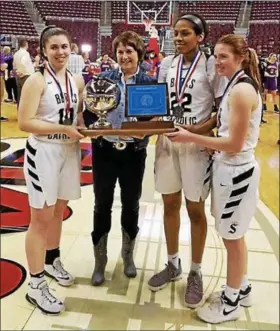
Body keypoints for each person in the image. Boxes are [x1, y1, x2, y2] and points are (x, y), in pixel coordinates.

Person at [166, 34, 262, 324]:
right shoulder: (235, 84)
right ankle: (241, 287)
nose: (218, 61)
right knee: (233, 235)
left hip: (237, 171)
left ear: (240, 57)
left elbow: (235, 144)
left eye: (224, 56)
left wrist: (191, 137)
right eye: (216, 56)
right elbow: (227, 137)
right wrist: (209, 142)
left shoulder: (242, 91)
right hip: (227, 168)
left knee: (232, 238)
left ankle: (231, 302)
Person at [148, 13, 226, 308]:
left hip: (194, 146)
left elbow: (220, 111)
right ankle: (172, 264)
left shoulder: (211, 66)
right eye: (176, 34)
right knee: (169, 205)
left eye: (185, 34)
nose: (178, 38)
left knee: (195, 209)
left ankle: (195, 271)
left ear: (201, 36)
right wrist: (150, 122)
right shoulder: (167, 64)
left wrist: (194, 132)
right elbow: (159, 102)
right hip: (168, 143)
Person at [18, 25, 85, 315]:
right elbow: (24, 122)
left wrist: (86, 126)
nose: (60, 52)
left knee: (58, 211)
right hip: (43, 152)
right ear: (43, 50)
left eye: (64, 47)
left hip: (68, 151)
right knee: (40, 219)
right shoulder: (36, 81)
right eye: (54, 47)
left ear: (72, 49)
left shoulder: (77, 80)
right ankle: (35, 286)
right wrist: (63, 129)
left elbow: (78, 115)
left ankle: (51, 259)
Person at [83, 31, 156, 286]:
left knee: (131, 205)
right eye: (120, 52)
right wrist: (93, 126)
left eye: (129, 51)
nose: (124, 56)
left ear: (139, 54)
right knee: (101, 205)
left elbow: (155, 117)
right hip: (104, 151)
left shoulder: (149, 81)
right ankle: (99, 260)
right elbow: (89, 113)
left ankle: (128, 255)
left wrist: (146, 128)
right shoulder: (103, 79)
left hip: (134, 153)